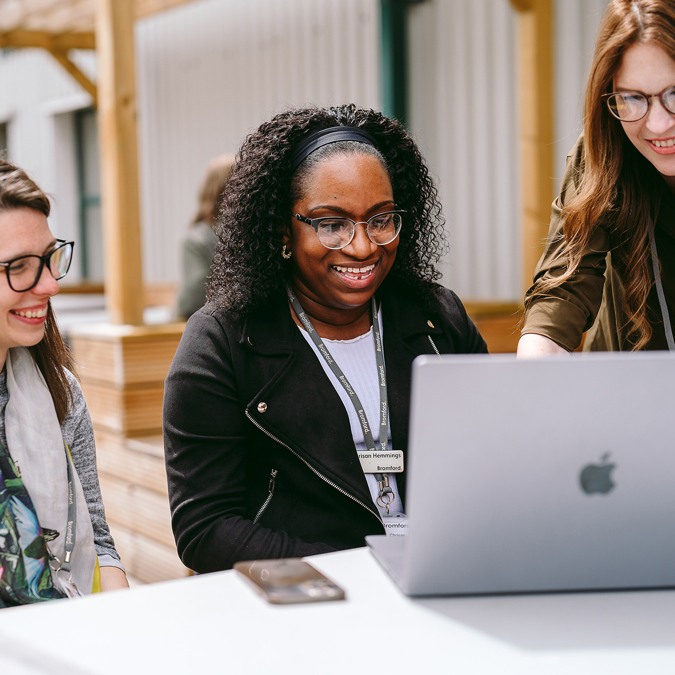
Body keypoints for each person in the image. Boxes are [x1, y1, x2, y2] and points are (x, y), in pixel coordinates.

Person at [163, 104, 488, 573]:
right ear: (282, 228)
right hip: (313, 608)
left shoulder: (438, 318)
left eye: (381, 219)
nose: (362, 246)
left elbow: (491, 461)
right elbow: (206, 528)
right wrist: (364, 571)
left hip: (443, 578)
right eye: (332, 224)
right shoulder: (223, 342)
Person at [0, 160, 128, 607]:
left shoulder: (60, 391)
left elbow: (98, 542)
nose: (51, 285)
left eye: (50, 259)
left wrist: (125, 625)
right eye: (19, 267)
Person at [519, 0, 675, 356]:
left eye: (674, 93)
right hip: (628, 388)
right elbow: (565, 284)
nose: (659, 124)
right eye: (634, 98)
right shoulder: (604, 150)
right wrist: (535, 365)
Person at [175, 154, 235, 319]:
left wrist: (174, 315)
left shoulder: (196, 239)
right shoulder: (252, 232)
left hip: (212, 326)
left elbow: (193, 294)